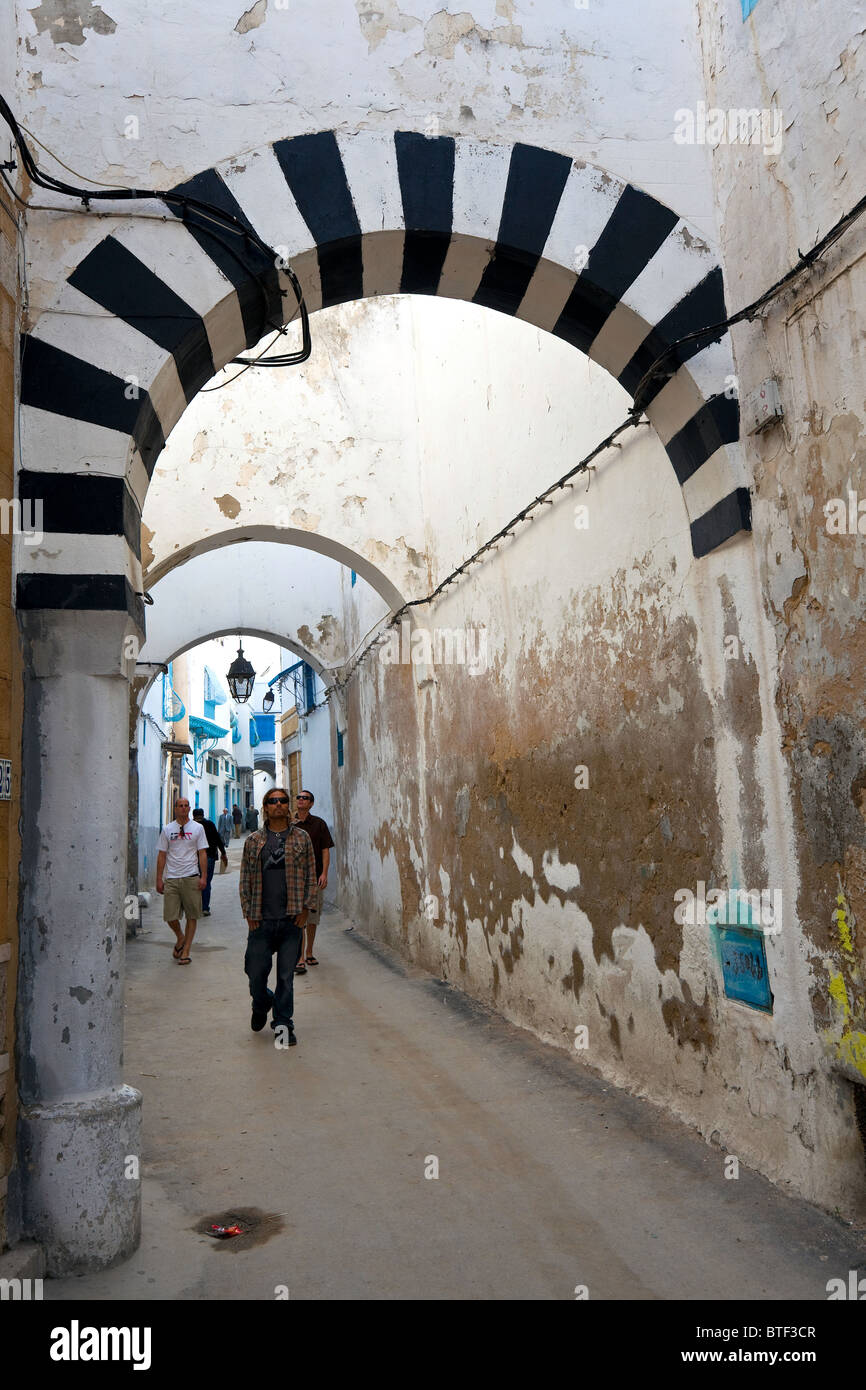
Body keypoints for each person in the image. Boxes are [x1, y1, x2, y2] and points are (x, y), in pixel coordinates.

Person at [239, 789, 317, 1044]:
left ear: (288, 806)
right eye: (273, 801)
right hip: (261, 920)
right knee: (255, 973)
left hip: (291, 919)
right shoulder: (253, 840)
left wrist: (306, 908)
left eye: (283, 801)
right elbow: (245, 880)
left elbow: (310, 875)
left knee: (286, 976)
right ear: (265, 807)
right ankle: (261, 1002)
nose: (279, 805)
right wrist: (248, 912)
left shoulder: (302, 838)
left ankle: (283, 1025)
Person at [156, 797, 208, 964]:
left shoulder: (198, 828)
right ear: (175, 808)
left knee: (192, 916)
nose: (184, 809)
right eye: (180, 806)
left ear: (189, 808)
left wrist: (204, 876)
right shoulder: (167, 829)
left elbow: (202, 853)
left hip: (191, 877)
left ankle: (186, 951)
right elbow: (162, 855)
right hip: (172, 878)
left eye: (186, 806)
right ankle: (180, 937)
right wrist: (159, 878)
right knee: (170, 916)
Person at [292, 790, 334, 972]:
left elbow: (325, 849)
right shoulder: (288, 825)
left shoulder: (319, 824)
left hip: (314, 877)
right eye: (299, 798)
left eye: (305, 798)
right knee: (297, 918)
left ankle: (309, 952)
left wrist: (324, 873)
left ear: (311, 804)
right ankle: (299, 956)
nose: (301, 800)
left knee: (312, 918)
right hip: (294, 879)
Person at [192, 807, 228, 916]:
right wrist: (223, 853)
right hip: (209, 857)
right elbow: (218, 839)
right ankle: (205, 908)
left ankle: (195, 907)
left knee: (194, 882)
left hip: (193, 858)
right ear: (203, 815)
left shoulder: (190, 826)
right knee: (206, 882)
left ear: (193, 816)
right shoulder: (210, 824)